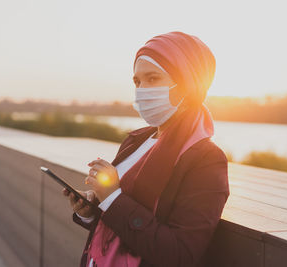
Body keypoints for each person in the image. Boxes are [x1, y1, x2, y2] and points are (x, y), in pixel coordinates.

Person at [62, 31, 230, 267]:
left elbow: (180, 254)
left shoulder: (206, 160)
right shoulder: (136, 140)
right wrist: (92, 209)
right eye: (137, 81)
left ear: (188, 84)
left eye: (152, 79)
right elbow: (120, 218)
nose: (142, 89)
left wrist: (112, 197)